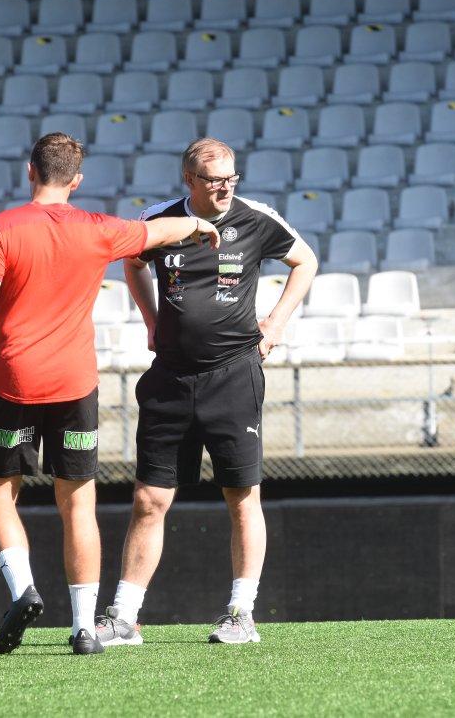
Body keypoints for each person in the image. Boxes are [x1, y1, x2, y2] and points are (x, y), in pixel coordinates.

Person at [0, 132, 221, 655]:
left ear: (30, 171)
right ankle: (85, 627)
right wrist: (198, 224)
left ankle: (24, 590)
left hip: (16, 381)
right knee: (78, 502)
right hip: (75, 384)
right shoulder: (97, 229)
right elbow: (155, 231)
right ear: (77, 180)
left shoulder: (4, 227)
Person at [95, 138, 317, 646]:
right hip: (170, 377)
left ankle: (241, 614)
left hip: (234, 375)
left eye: (231, 178)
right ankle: (124, 617)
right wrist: (150, 319)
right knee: (149, 499)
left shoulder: (256, 218)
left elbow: (305, 261)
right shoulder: (160, 220)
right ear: (189, 180)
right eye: (215, 179)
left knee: (242, 496)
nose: (225, 187)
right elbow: (132, 262)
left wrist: (276, 324)